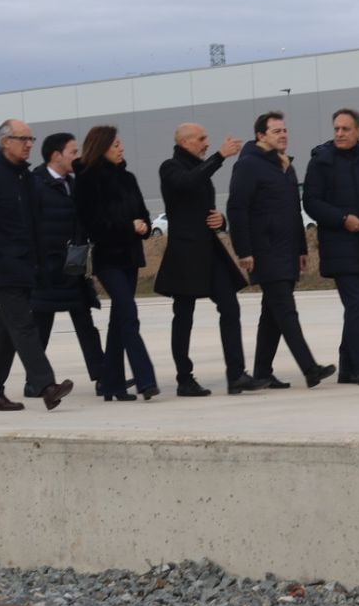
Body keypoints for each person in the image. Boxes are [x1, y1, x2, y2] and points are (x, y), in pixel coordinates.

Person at [0, 118, 73, 411]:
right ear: (5, 142)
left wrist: (39, 263)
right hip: (0, 266)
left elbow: (34, 225)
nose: (29, 144)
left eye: (31, 139)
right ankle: (47, 386)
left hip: (25, 266)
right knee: (24, 325)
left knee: (6, 329)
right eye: (23, 139)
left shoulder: (26, 179)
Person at [226, 111, 336, 389]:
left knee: (272, 313)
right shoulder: (248, 165)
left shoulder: (284, 166)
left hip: (287, 250)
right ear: (261, 136)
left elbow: (292, 212)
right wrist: (244, 251)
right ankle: (310, 368)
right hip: (264, 250)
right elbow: (237, 210)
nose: (283, 135)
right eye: (276, 131)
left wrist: (301, 248)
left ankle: (262, 372)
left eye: (284, 130)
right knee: (286, 310)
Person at [154, 123, 265, 397]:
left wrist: (220, 220)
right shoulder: (170, 167)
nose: (206, 143)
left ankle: (236, 374)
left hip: (209, 249)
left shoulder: (201, 169)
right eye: (202, 139)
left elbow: (203, 206)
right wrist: (219, 156)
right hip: (184, 253)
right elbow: (186, 182)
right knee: (184, 315)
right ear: (185, 142)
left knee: (230, 306)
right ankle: (184, 378)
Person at [303, 108, 359, 385]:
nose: (340, 133)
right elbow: (311, 202)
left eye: (346, 129)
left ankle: (346, 368)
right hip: (339, 245)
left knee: (356, 307)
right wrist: (343, 219)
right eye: (336, 129)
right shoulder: (321, 161)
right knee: (355, 306)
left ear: (358, 131)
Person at [74, 125, 160, 400]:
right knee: (128, 314)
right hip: (107, 258)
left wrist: (144, 226)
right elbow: (93, 225)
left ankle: (111, 383)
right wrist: (127, 226)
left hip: (131, 257)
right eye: (115, 145)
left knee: (119, 320)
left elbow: (143, 214)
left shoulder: (128, 178)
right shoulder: (87, 180)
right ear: (101, 148)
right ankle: (146, 379)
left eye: (120, 144)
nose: (121, 148)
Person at [29, 132, 106, 392]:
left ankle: (102, 376)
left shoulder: (75, 184)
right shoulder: (35, 184)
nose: (77, 157)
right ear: (56, 155)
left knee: (85, 324)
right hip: (46, 270)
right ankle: (36, 382)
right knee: (41, 327)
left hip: (74, 267)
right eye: (73, 152)